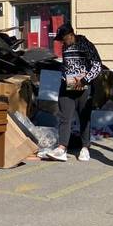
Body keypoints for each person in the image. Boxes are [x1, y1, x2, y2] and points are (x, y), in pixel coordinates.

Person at [40, 23, 103, 162]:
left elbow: (97, 65)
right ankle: (62, 148)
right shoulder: (65, 46)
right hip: (67, 83)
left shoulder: (86, 44)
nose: (62, 42)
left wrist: (85, 80)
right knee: (64, 116)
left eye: (64, 38)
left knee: (83, 117)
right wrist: (63, 75)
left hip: (83, 84)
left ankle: (85, 147)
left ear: (70, 35)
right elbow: (66, 65)